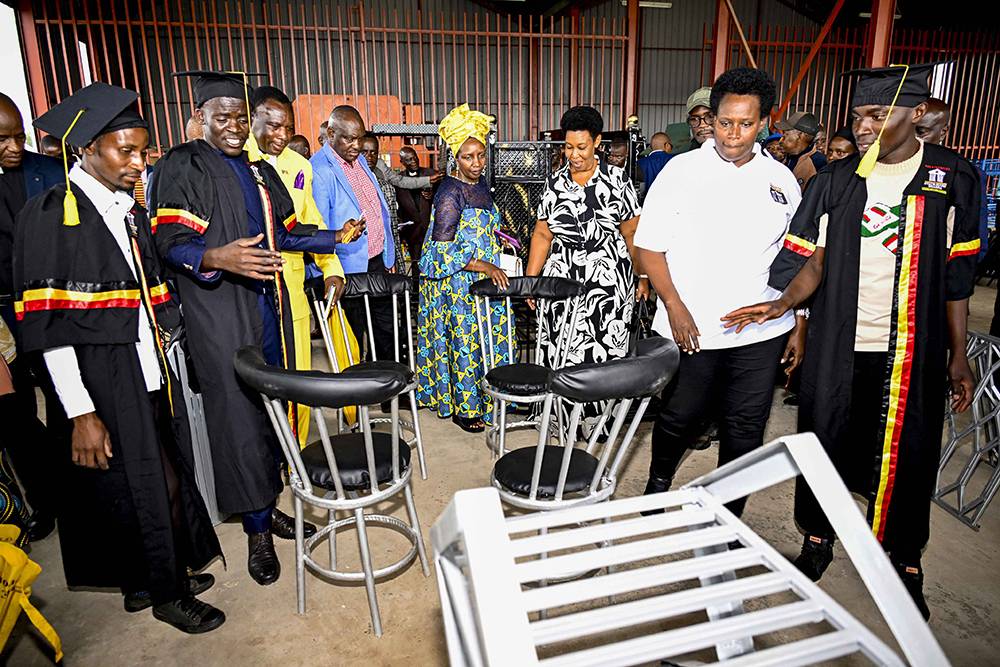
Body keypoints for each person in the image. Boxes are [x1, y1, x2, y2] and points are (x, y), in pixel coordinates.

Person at [722, 63, 982, 619]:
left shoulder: (951, 177)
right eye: (858, 115)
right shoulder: (836, 182)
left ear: (915, 115)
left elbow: (958, 280)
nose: (862, 127)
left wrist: (957, 355)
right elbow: (811, 261)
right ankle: (817, 537)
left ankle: (904, 556)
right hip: (841, 340)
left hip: (913, 345)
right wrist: (783, 304)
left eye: (875, 115)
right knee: (825, 435)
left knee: (908, 451)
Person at [19, 82, 224, 632]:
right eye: (125, 151)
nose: (139, 162)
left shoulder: (126, 209)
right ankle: (167, 592)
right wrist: (80, 412)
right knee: (147, 481)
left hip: (144, 364)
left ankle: (148, 575)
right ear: (86, 148)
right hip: (97, 374)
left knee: (144, 478)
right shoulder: (53, 214)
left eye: (142, 150)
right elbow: (51, 325)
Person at [151, 71, 353, 587]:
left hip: (269, 308)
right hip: (219, 312)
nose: (235, 127)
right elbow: (169, 242)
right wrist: (217, 256)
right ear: (199, 118)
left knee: (276, 412)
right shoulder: (183, 165)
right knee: (238, 420)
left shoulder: (259, 172)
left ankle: (270, 506)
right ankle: (258, 533)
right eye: (223, 117)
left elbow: (285, 232)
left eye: (240, 117)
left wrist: (334, 235)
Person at [635, 67, 801, 518]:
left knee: (746, 426)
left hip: (761, 329)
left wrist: (796, 321)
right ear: (713, 118)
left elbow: (798, 258)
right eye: (725, 122)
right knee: (681, 415)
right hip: (696, 324)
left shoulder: (782, 181)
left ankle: (729, 513)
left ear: (764, 122)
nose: (733, 134)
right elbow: (648, 247)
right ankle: (659, 480)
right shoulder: (682, 171)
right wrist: (675, 306)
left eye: (746, 124)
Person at [526, 105, 645, 427]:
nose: (573, 155)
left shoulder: (618, 181)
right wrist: (531, 279)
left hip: (609, 277)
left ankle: (601, 423)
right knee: (561, 345)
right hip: (562, 276)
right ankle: (562, 419)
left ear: (597, 142)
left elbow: (632, 232)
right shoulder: (554, 183)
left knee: (606, 347)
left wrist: (641, 276)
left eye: (581, 147)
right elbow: (542, 233)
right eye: (567, 147)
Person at [247, 85, 345, 447]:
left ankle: (296, 455)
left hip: (292, 289)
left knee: (298, 374)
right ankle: (267, 455)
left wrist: (332, 267)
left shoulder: (298, 166)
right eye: (272, 126)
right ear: (251, 119)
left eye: (287, 127)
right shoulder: (237, 162)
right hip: (250, 292)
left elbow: (312, 223)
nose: (281, 136)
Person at [415, 104, 511, 433]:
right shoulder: (449, 193)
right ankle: (465, 408)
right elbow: (440, 251)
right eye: (468, 157)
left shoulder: (482, 185)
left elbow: (484, 227)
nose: (476, 163)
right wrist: (482, 264)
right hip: (459, 283)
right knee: (466, 342)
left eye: (480, 155)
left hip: (485, 277)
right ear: (455, 157)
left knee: (485, 339)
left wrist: (504, 241)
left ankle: (490, 397)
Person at [0, 92, 67, 542]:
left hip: (51, 306)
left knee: (70, 404)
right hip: (4, 317)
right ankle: (43, 501)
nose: (12, 145)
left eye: (17, 135)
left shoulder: (47, 172)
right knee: (15, 418)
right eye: (0, 138)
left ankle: (83, 496)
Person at [311, 105, 398, 364]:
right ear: (330, 133)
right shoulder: (319, 169)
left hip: (376, 261)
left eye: (359, 137)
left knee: (386, 326)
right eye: (349, 138)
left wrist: (387, 255)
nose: (357, 145)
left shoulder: (358, 160)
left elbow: (376, 209)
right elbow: (319, 227)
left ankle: (389, 388)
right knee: (354, 333)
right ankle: (359, 393)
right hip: (347, 268)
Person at [917, 97, 989, 262]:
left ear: (943, 131)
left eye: (921, 132)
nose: (914, 139)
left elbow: (976, 239)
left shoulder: (965, 174)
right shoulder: (892, 168)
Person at [360, 134, 405, 271]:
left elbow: (392, 229)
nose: (369, 157)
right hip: (358, 258)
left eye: (373, 152)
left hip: (382, 258)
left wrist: (395, 260)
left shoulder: (387, 188)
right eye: (364, 152)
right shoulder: (348, 186)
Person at [395, 146, 436, 265]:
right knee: (415, 264)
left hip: (431, 229)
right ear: (402, 162)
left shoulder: (431, 174)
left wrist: (431, 195)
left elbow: (441, 196)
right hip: (412, 231)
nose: (414, 161)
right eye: (409, 159)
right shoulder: (398, 180)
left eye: (415, 157)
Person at [777, 111, 827, 190]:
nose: (781, 139)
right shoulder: (786, 158)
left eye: (786, 134)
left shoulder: (819, 164)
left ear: (801, 135)